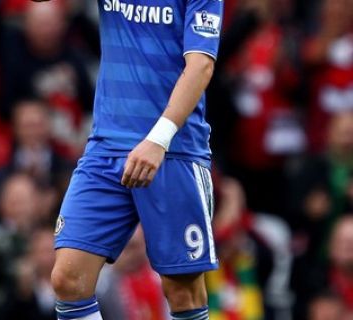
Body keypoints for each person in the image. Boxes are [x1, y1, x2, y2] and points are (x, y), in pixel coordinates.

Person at [32, 0, 224, 319]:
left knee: (183, 291)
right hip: (106, 148)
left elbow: (201, 65)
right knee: (68, 279)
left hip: (173, 151)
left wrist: (157, 139)